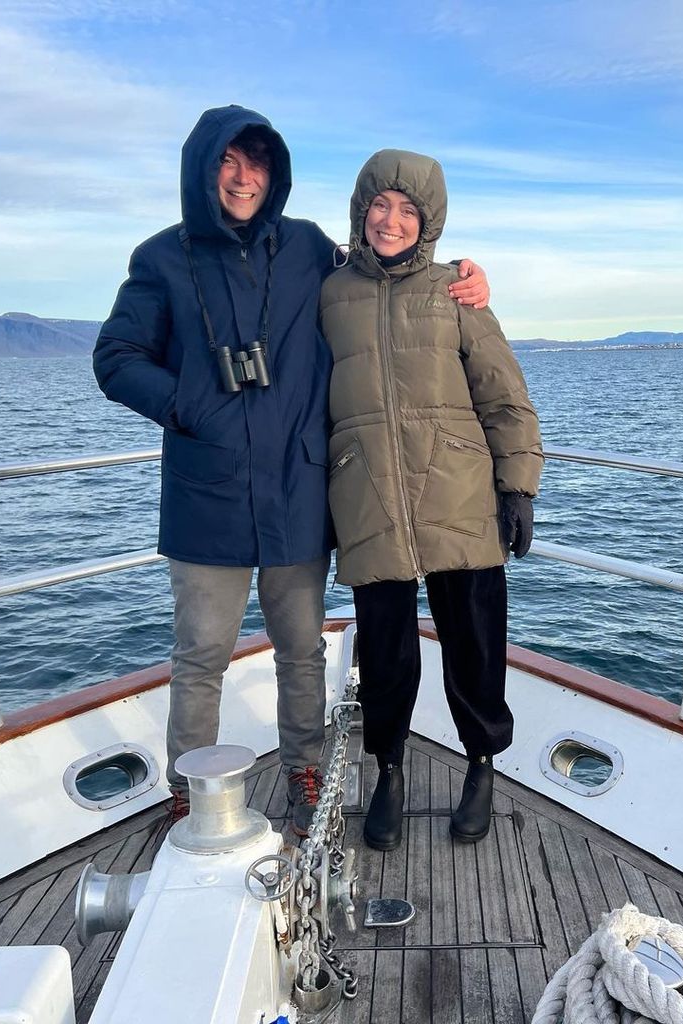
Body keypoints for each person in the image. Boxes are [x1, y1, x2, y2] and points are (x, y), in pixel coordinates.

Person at [93, 108, 489, 835]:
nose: (243, 179)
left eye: (257, 164)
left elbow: (386, 270)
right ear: (203, 169)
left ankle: (307, 776)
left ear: (275, 175)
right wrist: (190, 406)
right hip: (204, 496)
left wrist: (461, 274)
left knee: (302, 652)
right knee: (202, 656)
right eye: (228, 163)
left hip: (299, 492)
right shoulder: (160, 259)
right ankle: (192, 791)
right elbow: (114, 359)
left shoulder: (308, 247)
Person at [320, 150, 543, 850]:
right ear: (361, 211)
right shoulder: (327, 293)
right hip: (368, 491)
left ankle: (481, 766)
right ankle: (389, 771)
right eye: (380, 206)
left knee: (474, 642)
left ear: (429, 221)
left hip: (457, 487)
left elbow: (505, 396)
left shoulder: (457, 293)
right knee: (384, 651)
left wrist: (518, 487)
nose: (391, 220)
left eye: (408, 210)